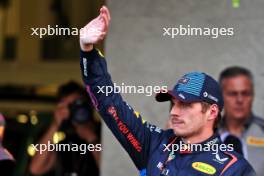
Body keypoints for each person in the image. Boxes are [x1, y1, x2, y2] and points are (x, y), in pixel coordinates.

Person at [79, 6, 256, 175]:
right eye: (174, 104)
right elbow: (110, 104)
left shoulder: (233, 168)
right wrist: (87, 51)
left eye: (185, 105)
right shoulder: (155, 144)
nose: (174, 112)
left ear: (212, 111)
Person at [29, 81, 101, 176]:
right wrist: (55, 125)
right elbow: (36, 168)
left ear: (90, 104)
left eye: (78, 103)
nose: (75, 110)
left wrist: (91, 139)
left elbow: (115, 170)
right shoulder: (66, 143)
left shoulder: (107, 134)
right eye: (69, 106)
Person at [218, 66, 264, 175]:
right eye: (232, 94)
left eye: (245, 93)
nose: (239, 100)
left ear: (252, 95)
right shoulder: (206, 132)